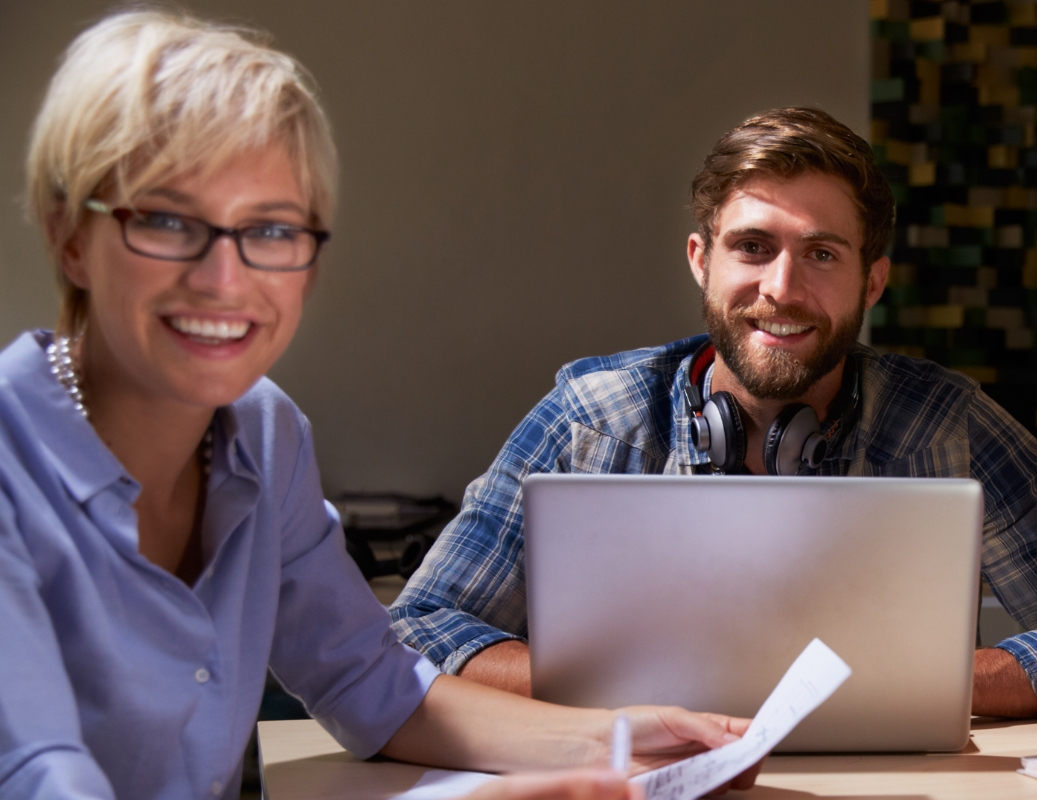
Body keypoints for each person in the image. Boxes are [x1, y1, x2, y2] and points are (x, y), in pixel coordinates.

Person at [0, 11, 758, 799]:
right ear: (67, 236)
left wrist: (621, 739)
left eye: (270, 229)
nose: (224, 279)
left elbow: (372, 684)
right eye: (166, 221)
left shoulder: (264, 432)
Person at [390, 107, 1037, 722]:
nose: (783, 289)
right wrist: (643, 693)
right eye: (754, 247)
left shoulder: (947, 425)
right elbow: (418, 626)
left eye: (822, 253)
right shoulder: (591, 418)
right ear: (702, 260)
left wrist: (925, 685)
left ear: (873, 282)